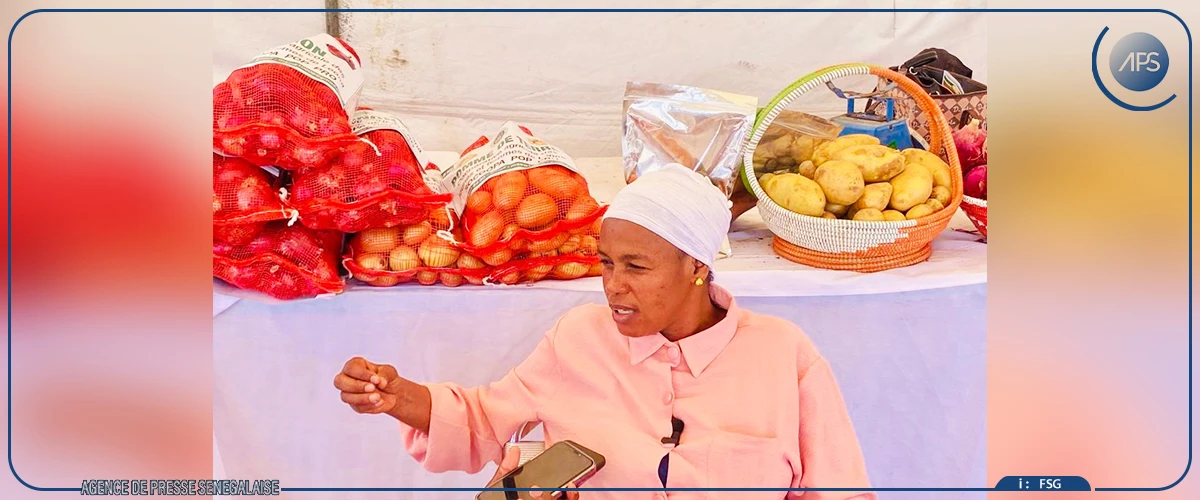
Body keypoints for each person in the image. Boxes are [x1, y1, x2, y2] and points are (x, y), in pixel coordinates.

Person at [334, 164, 876, 499]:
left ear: (697, 267)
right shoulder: (578, 338)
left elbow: (838, 492)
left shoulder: (783, 354)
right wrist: (397, 397)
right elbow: (483, 418)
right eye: (606, 263)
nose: (613, 286)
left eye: (636, 268)